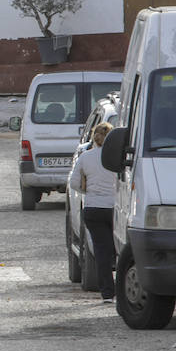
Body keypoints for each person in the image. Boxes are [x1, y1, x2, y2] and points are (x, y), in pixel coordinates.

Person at [69, 121, 117, 303]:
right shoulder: (115, 158)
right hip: (114, 208)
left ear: (94, 138)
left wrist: (87, 190)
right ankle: (122, 290)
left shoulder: (85, 157)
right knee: (120, 250)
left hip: (93, 208)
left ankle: (107, 294)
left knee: (101, 251)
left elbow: (73, 183)